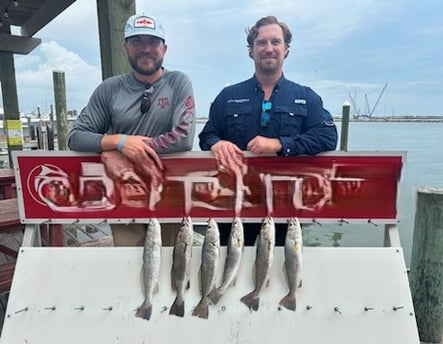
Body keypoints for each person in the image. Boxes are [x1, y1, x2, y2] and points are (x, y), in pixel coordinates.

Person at [198, 15, 338, 245]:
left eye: (275, 42)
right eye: (261, 43)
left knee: (281, 276)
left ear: (286, 50)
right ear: (251, 51)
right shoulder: (228, 96)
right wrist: (216, 143)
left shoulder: (306, 96)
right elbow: (207, 135)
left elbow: (327, 137)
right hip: (233, 208)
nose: (268, 48)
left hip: (286, 209)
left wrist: (281, 144)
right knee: (229, 273)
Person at [68, 13, 196, 246]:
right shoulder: (109, 89)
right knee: (128, 265)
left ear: (164, 48)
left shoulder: (178, 82)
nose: (145, 48)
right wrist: (117, 142)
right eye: (137, 41)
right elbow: (76, 137)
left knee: (171, 265)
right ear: (125, 47)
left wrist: (127, 149)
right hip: (125, 196)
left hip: (169, 195)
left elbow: (184, 138)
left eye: (153, 42)